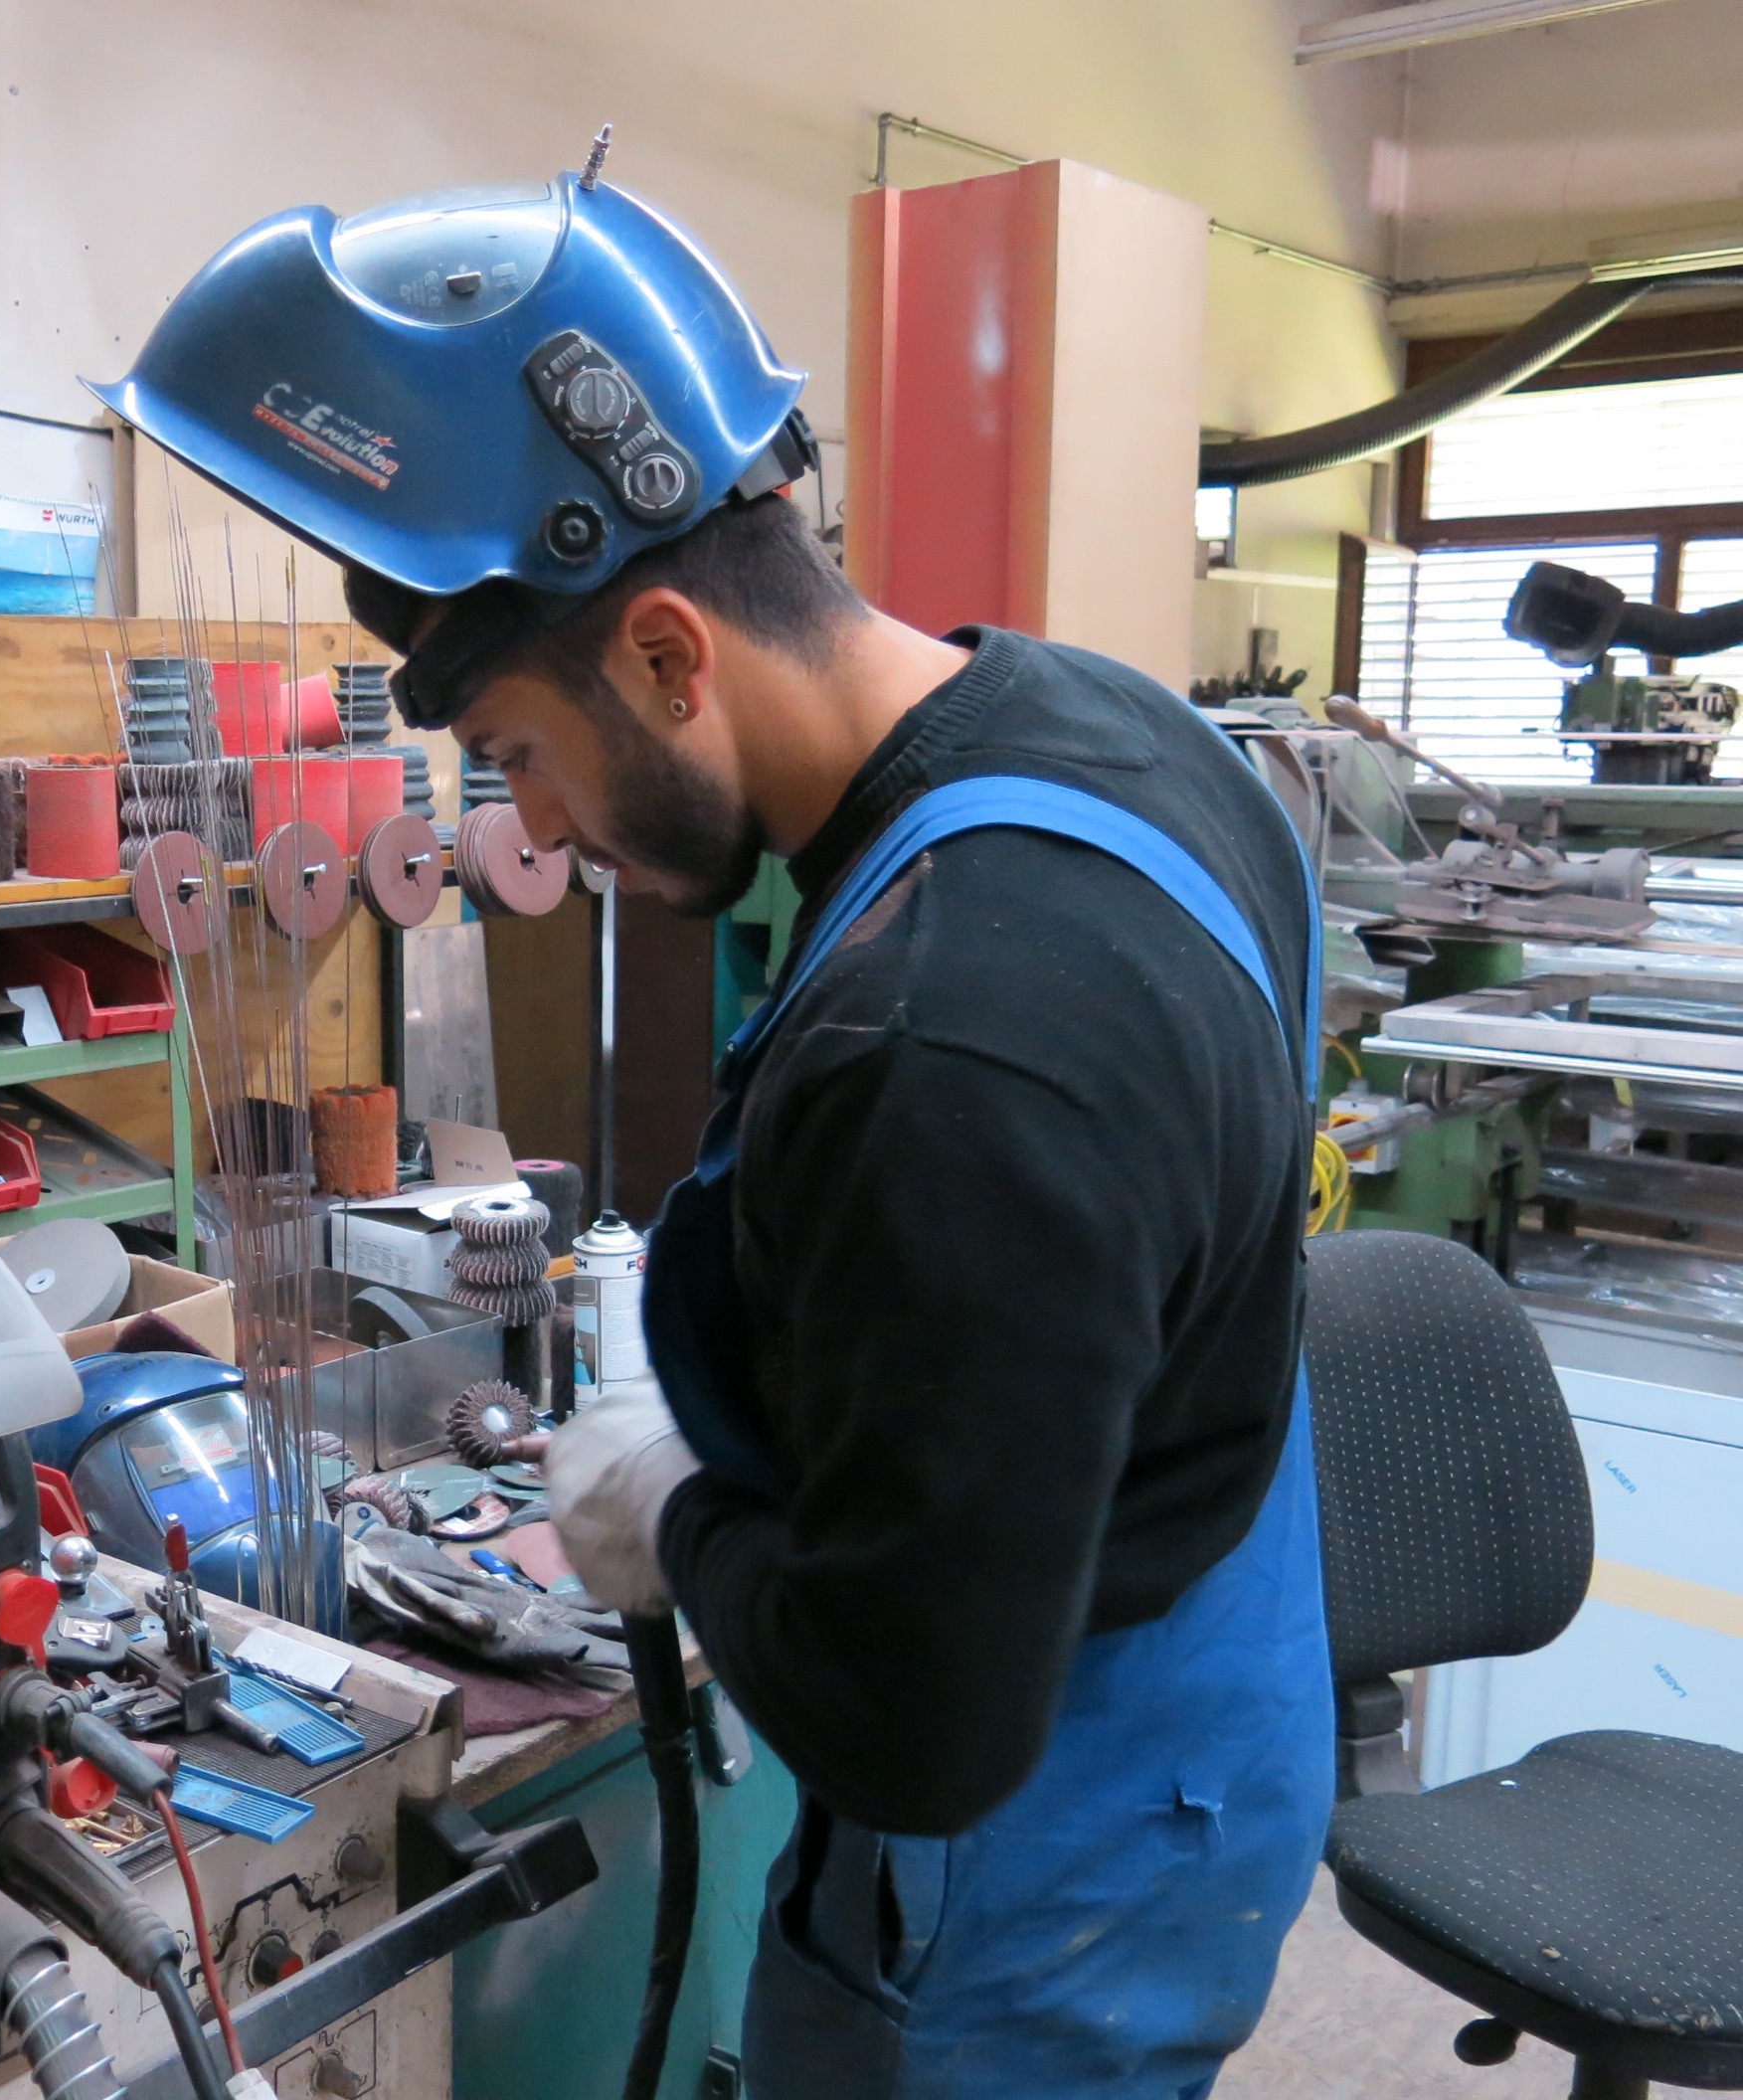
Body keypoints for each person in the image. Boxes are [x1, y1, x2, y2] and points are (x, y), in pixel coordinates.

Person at [89, 157, 1332, 2100]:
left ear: (670, 654)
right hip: (1203, 1708)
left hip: (1032, 1847)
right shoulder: (1119, 732)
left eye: (517, 755)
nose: (533, 827)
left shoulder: (954, 1036)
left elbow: (919, 1729)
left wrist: (675, 1519)